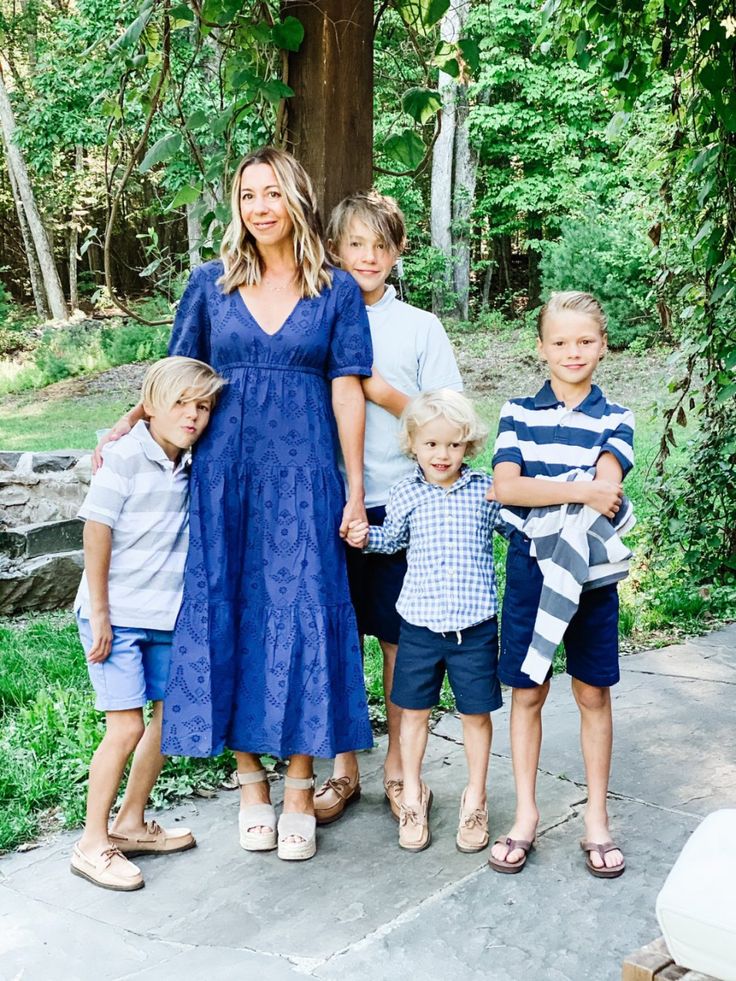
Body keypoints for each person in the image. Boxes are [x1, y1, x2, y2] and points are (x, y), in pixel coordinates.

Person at [96, 147, 374, 863]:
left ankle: (301, 785)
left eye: (272, 192)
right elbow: (175, 377)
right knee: (239, 614)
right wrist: (130, 420)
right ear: (238, 206)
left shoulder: (335, 290)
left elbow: (348, 390)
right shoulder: (209, 286)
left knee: (306, 617)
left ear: (296, 200)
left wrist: (354, 488)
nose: (259, 206)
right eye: (247, 194)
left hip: (307, 475)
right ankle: (252, 781)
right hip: (227, 477)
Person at [313, 190, 463, 826]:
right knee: (338, 638)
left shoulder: (419, 327)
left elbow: (451, 419)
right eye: (354, 245)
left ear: (398, 252)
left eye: (380, 245)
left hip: (406, 506)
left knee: (402, 643)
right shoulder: (314, 315)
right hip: (329, 501)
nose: (367, 256)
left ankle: (403, 771)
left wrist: (377, 388)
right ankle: (344, 768)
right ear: (334, 251)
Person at [488, 291, 635, 878]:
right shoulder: (517, 413)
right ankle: (525, 814)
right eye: (560, 341)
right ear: (541, 347)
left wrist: (560, 488)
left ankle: (596, 818)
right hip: (530, 570)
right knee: (528, 692)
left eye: (585, 341)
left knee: (593, 693)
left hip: (590, 576)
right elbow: (506, 488)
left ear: (602, 344)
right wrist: (578, 489)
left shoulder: (616, 417)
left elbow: (609, 491)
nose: (572, 352)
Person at [72, 356, 225, 891]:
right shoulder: (126, 456)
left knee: (166, 717)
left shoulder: (189, 462)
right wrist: (101, 612)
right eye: (181, 404)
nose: (193, 416)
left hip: (163, 614)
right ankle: (92, 843)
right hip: (113, 614)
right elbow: (97, 530)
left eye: (203, 407)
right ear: (151, 406)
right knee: (127, 726)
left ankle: (130, 822)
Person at [347, 390, 502, 852]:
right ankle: (412, 795)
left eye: (453, 445)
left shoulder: (485, 490)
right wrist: (362, 536)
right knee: (413, 713)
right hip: (418, 626)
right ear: (413, 444)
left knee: (475, 714)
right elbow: (390, 540)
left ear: (468, 446)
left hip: (473, 626)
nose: (442, 454)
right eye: (432, 444)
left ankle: (475, 798)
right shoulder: (406, 492)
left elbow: (515, 528)